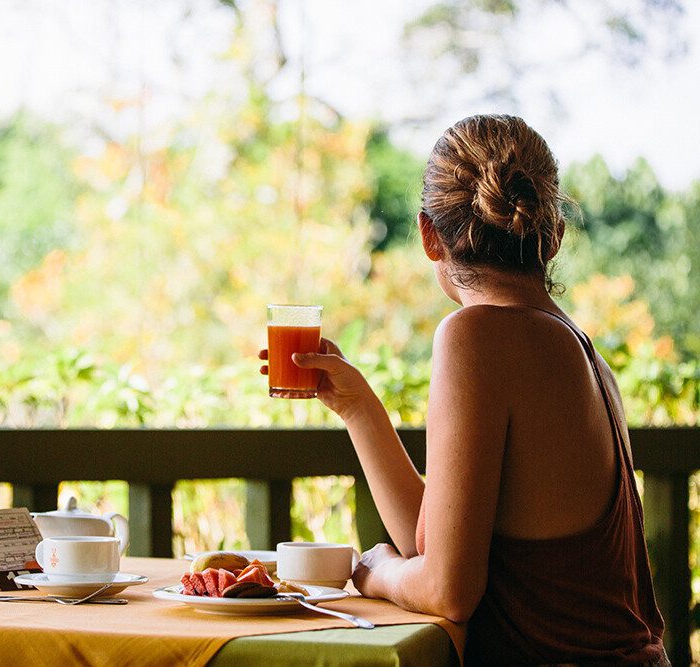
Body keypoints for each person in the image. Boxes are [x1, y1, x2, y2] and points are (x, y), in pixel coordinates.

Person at [262, 115, 668, 665]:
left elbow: (447, 590)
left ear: (429, 235)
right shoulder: (577, 349)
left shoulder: (476, 335)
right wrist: (358, 408)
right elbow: (436, 547)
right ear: (553, 235)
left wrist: (376, 572)